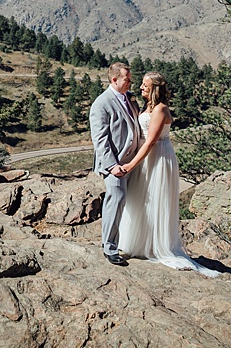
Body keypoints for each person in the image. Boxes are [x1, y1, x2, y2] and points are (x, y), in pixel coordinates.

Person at [117, 71, 220, 277]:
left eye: (145, 85)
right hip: (147, 156)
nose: (140, 87)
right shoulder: (147, 107)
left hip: (158, 157)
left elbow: (151, 141)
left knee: (156, 199)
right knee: (141, 199)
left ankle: (158, 245)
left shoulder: (161, 109)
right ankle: (139, 242)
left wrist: (130, 165)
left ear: (154, 88)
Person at [89, 62, 141, 266]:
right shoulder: (101, 104)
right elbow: (100, 139)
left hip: (133, 162)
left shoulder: (129, 98)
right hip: (115, 164)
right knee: (116, 199)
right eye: (127, 80)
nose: (130, 82)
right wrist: (112, 166)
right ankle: (109, 248)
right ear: (114, 80)